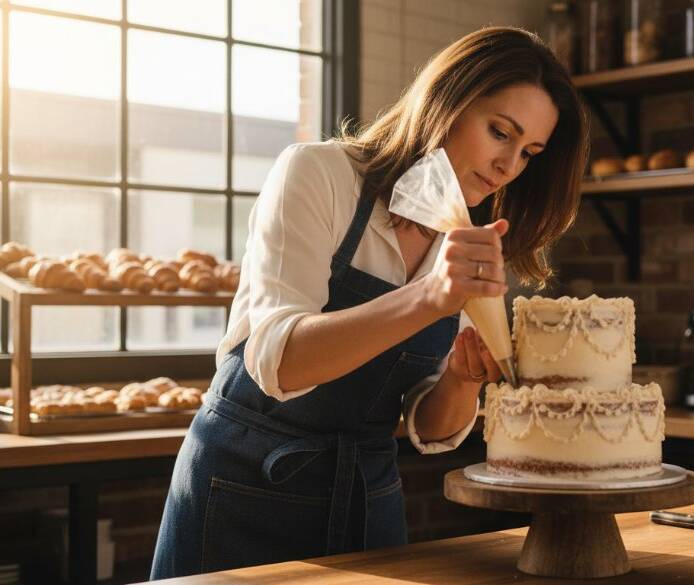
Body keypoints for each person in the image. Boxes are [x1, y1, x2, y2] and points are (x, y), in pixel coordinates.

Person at [150, 26, 589, 579]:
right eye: (500, 132)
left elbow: (427, 427)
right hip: (243, 486)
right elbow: (279, 361)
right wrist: (430, 296)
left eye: (529, 153)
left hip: (367, 495)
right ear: (447, 101)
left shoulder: (463, 232)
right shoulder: (319, 173)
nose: (509, 166)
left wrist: (461, 379)